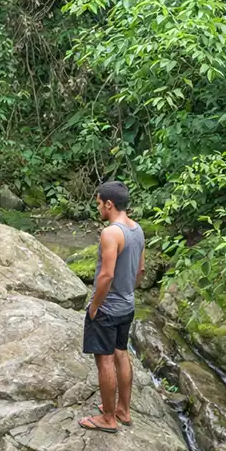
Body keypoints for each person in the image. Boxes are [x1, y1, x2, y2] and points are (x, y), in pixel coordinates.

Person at [79, 181, 145, 434]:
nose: (98, 208)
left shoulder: (111, 233)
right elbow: (140, 270)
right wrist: (128, 291)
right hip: (127, 305)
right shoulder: (137, 230)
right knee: (121, 353)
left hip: (107, 309)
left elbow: (105, 276)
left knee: (104, 360)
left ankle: (108, 418)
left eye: (98, 203)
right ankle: (123, 410)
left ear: (109, 203)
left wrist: (95, 306)